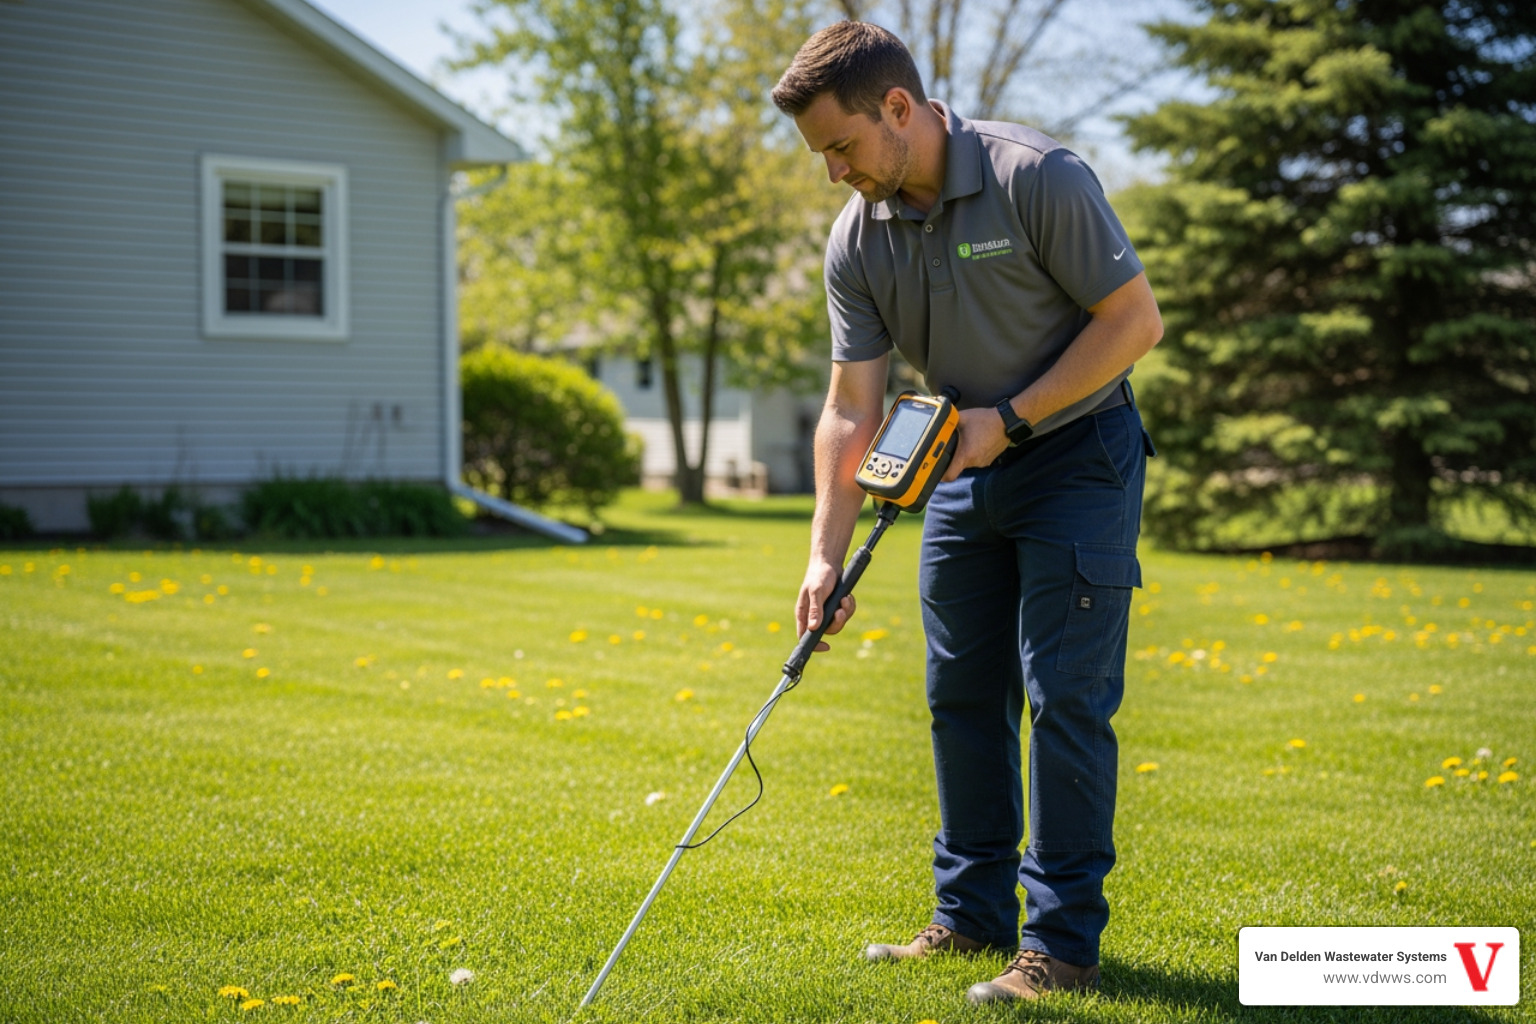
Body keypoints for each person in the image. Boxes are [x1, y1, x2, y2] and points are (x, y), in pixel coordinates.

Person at [771, 21, 1163, 1006]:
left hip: (1078, 457)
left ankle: (1060, 948)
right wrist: (823, 558)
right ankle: (970, 917)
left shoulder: (1038, 177)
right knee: (958, 695)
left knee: (1064, 694)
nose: (832, 173)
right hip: (960, 466)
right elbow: (851, 409)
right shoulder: (857, 237)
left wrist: (1013, 419)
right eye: (819, 155)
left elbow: (1133, 322)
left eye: (841, 147)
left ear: (897, 109)